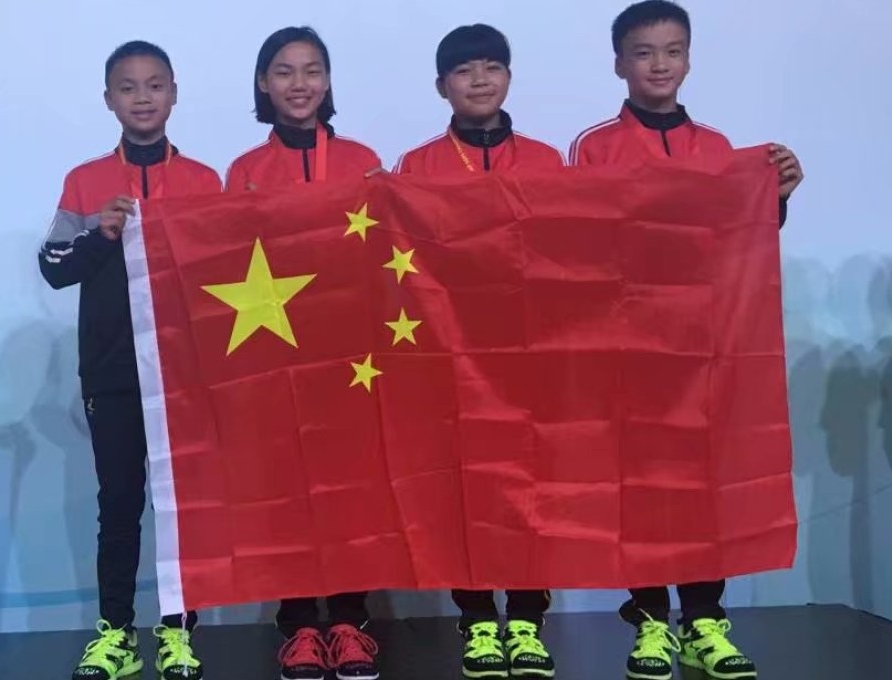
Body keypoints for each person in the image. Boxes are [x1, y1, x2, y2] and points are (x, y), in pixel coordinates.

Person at [568, 3, 804, 680]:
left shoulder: (719, 148)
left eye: (672, 51)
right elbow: (582, 241)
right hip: (632, 347)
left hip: (705, 348)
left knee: (704, 483)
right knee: (643, 485)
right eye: (643, 53)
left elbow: (738, 241)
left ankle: (704, 618)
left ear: (690, 58)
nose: (659, 64)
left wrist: (776, 195)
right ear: (619, 63)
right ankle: (648, 621)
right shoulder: (595, 146)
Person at [38, 40, 221, 680]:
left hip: (182, 376)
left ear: (174, 93)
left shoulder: (204, 181)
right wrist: (101, 233)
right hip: (113, 374)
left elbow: (221, 278)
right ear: (109, 98)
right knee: (118, 504)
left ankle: (178, 632)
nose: (142, 98)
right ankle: (115, 632)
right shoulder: (86, 180)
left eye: (154, 85)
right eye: (128, 87)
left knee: (180, 510)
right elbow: (53, 268)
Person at [395, 24, 562, 680]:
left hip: (532, 356)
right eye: (465, 71)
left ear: (510, 77)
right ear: (443, 86)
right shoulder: (415, 168)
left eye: (493, 67)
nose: (481, 80)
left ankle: (525, 618)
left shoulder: (549, 161)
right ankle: (477, 619)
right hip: (452, 357)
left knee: (531, 489)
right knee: (463, 490)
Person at [224, 26, 383, 680]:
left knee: (352, 485)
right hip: (275, 354)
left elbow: (389, 252)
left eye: (311, 70)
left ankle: (348, 621)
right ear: (264, 83)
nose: (299, 84)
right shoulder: (244, 171)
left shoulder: (365, 159)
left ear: (328, 80)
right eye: (284, 71)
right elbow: (223, 260)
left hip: (352, 355)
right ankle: (297, 626)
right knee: (288, 489)